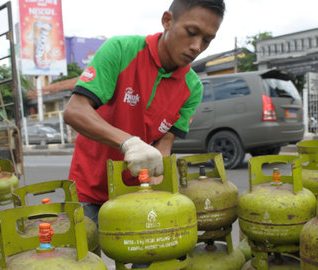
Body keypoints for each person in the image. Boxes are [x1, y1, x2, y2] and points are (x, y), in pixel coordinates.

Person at [63, 0, 225, 225]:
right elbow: (75, 110)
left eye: (207, 40)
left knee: (149, 255)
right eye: (191, 32)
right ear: (167, 20)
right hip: (89, 188)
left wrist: (161, 182)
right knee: (86, 258)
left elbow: (164, 146)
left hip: (140, 192)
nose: (197, 46)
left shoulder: (192, 87)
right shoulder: (121, 50)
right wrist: (129, 143)